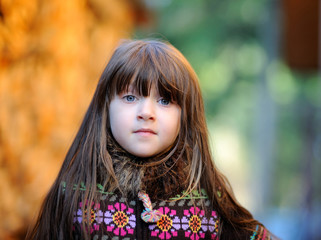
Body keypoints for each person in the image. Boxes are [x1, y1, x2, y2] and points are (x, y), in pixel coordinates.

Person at [26, 39, 274, 240]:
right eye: (130, 98)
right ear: (106, 107)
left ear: (185, 117)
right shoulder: (74, 196)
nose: (146, 112)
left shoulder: (209, 198)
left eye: (165, 101)